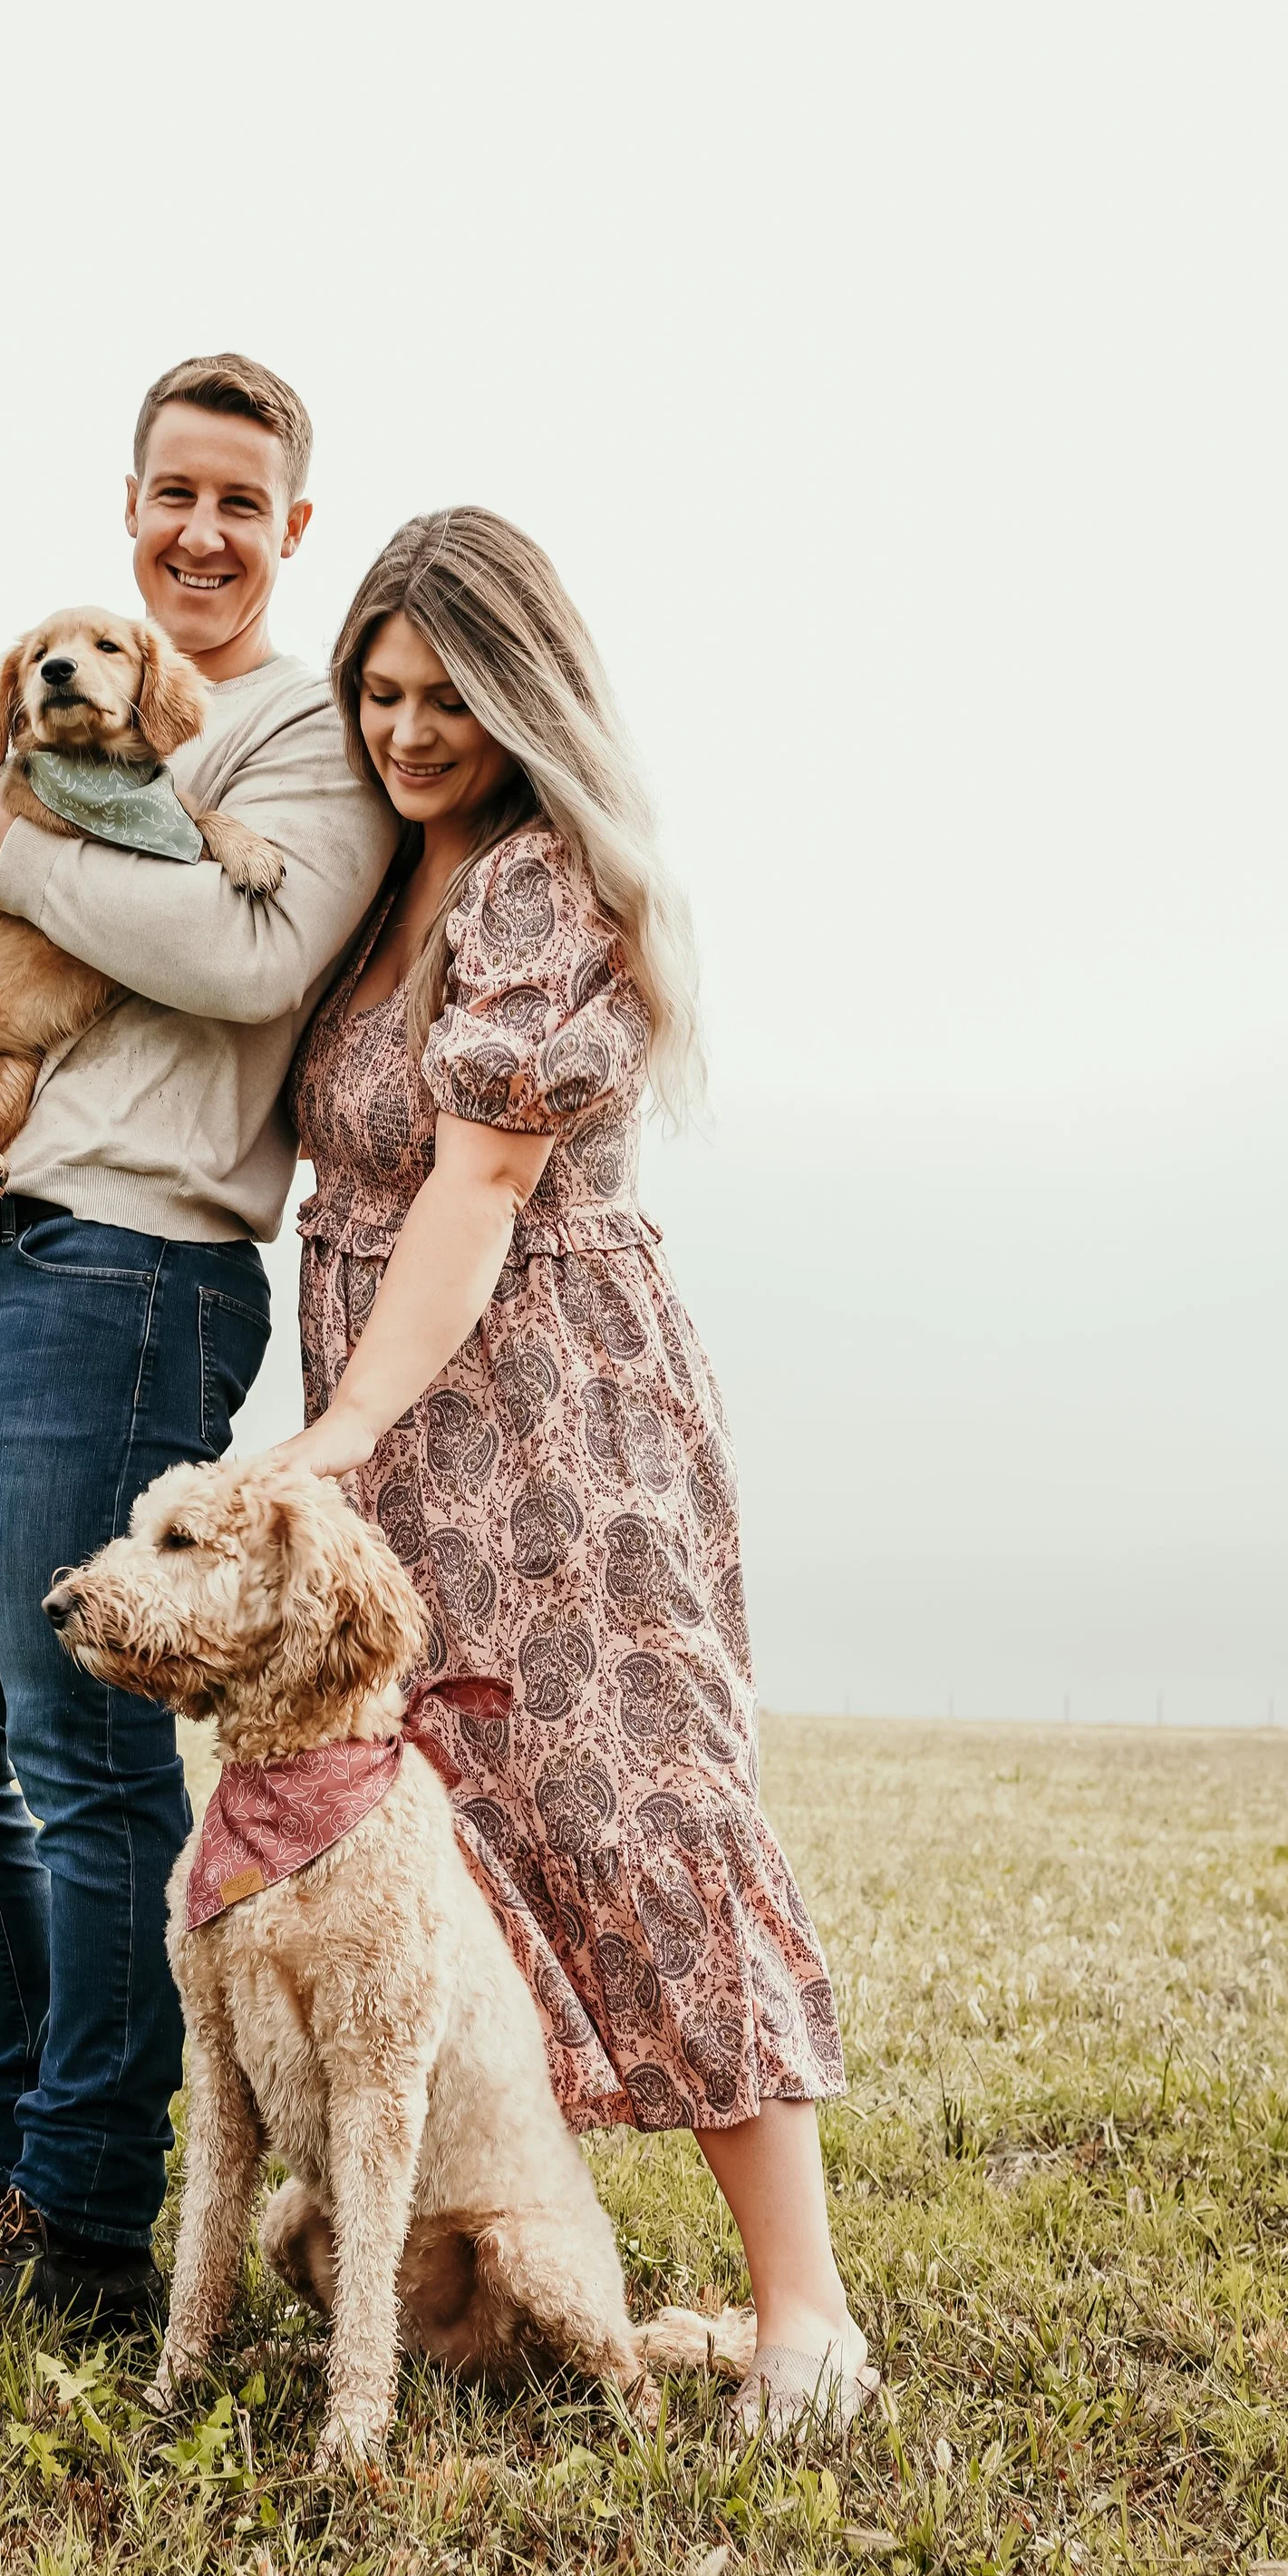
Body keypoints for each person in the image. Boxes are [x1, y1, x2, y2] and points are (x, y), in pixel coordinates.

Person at [0, 355, 393, 2333]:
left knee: (80, 1753)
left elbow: (242, 957)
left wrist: (13, 838)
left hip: (132, 1272)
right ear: (128, 508)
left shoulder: (304, 728)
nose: (201, 532)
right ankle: (8, 2147)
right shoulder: (52, 712)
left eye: (241, 501)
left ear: (288, 527)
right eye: (171, 495)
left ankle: (80, 2226)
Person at [272, 508, 875, 2432]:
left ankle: (805, 2321)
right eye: (377, 690)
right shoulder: (380, 892)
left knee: (642, 1813)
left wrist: (343, 1431)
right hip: (397, 1402)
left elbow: (481, 1178)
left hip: (548, 1417)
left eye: (449, 694)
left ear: (526, 694)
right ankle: (482, 2269)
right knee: (440, 1835)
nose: (406, 728)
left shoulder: (538, 886)